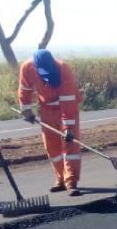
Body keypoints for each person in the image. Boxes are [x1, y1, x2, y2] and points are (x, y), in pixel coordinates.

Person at [18, 49, 83, 196]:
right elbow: (24, 90)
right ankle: (60, 180)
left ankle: (71, 182)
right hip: (46, 109)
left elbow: (68, 101)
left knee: (70, 146)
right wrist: (26, 110)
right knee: (52, 148)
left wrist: (68, 127)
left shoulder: (63, 69)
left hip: (65, 108)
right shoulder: (27, 68)